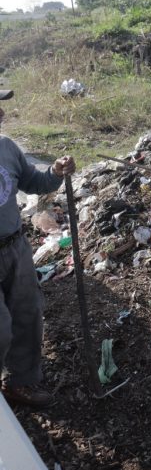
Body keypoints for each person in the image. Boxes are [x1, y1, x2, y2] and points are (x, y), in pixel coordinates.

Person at [0, 89, 76, 407]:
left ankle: (19, 382)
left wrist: (55, 172)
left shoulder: (6, 147)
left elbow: (34, 181)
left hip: (14, 246)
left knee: (28, 314)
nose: (1, 113)